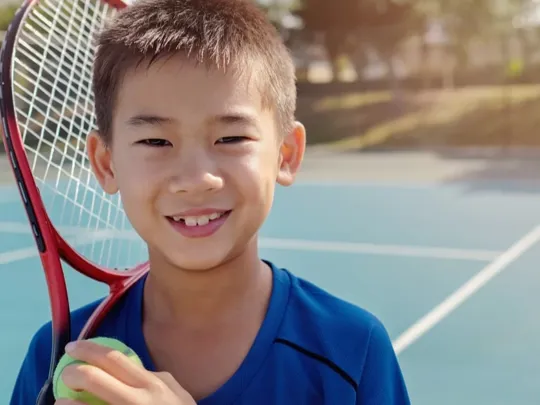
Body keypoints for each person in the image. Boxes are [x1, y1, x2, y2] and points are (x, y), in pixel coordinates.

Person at [10, 0, 411, 404]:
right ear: (105, 163)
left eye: (231, 138)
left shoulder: (352, 351)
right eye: (155, 141)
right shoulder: (59, 358)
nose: (196, 179)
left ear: (286, 154)